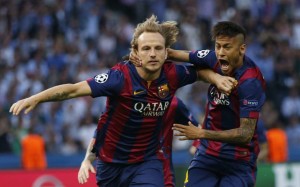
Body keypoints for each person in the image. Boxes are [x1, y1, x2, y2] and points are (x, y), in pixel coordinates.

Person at [10, 15, 235, 186]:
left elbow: (199, 71)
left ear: (167, 53)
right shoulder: (118, 78)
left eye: (158, 48)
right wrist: (36, 98)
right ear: (136, 53)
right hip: (110, 165)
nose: (153, 54)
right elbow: (72, 90)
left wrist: (216, 77)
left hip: (147, 161)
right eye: (146, 49)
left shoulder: (173, 74)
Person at [169, 21, 266, 187]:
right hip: (207, 155)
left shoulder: (250, 81)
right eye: (218, 46)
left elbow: (245, 133)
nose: (221, 53)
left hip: (238, 161)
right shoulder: (213, 57)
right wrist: (139, 55)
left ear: (242, 49)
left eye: (227, 47)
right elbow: (173, 54)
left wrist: (202, 134)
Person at [78, 96, 199, 187]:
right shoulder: (122, 99)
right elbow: (101, 132)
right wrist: (88, 159)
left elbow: (196, 128)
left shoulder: (173, 103)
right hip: (119, 170)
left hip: (161, 172)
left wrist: (197, 143)